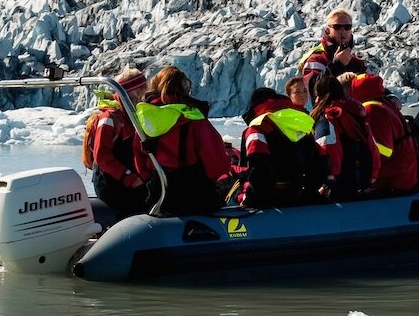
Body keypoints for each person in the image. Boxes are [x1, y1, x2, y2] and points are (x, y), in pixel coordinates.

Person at [134, 67, 231, 215]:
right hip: (192, 192)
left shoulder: (145, 119)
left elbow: (139, 156)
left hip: (158, 189)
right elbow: (217, 163)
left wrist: (150, 177)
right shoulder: (192, 117)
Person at [238, 87, 326, 208]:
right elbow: (320, 158)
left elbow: (259, 164)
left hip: (272, 199)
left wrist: (252, 200)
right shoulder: (298, 121)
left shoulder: (258, 126)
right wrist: (310, 192)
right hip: (300, 195)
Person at [86, 69, 153, 217]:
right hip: (112, 184)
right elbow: (102, 156)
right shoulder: (109, 118)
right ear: (133, 93)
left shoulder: (131, 116)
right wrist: (129, 177)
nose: (145, 96)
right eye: (143, 91)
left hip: (128, 181)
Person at [310, 74, 379, 199]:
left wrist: (328, 183)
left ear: (320, 96)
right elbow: (372, 147)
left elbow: (329, 149)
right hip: (359, 180)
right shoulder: (357, 114)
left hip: (339, 186)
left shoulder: (328, 117)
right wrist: (371, 178)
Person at [349, 73, 419, 192]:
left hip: (393, 181)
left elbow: (384, 151)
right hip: (405, 174)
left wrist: (359, 161)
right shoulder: (384, 103)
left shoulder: (372, 109)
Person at [299, 9, 368, 89]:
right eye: (337, 27)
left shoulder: (356, 63)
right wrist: (337, 65)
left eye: (347, 27)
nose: (343, 31)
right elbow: (313, 89)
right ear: (328, 31)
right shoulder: (316, 60)